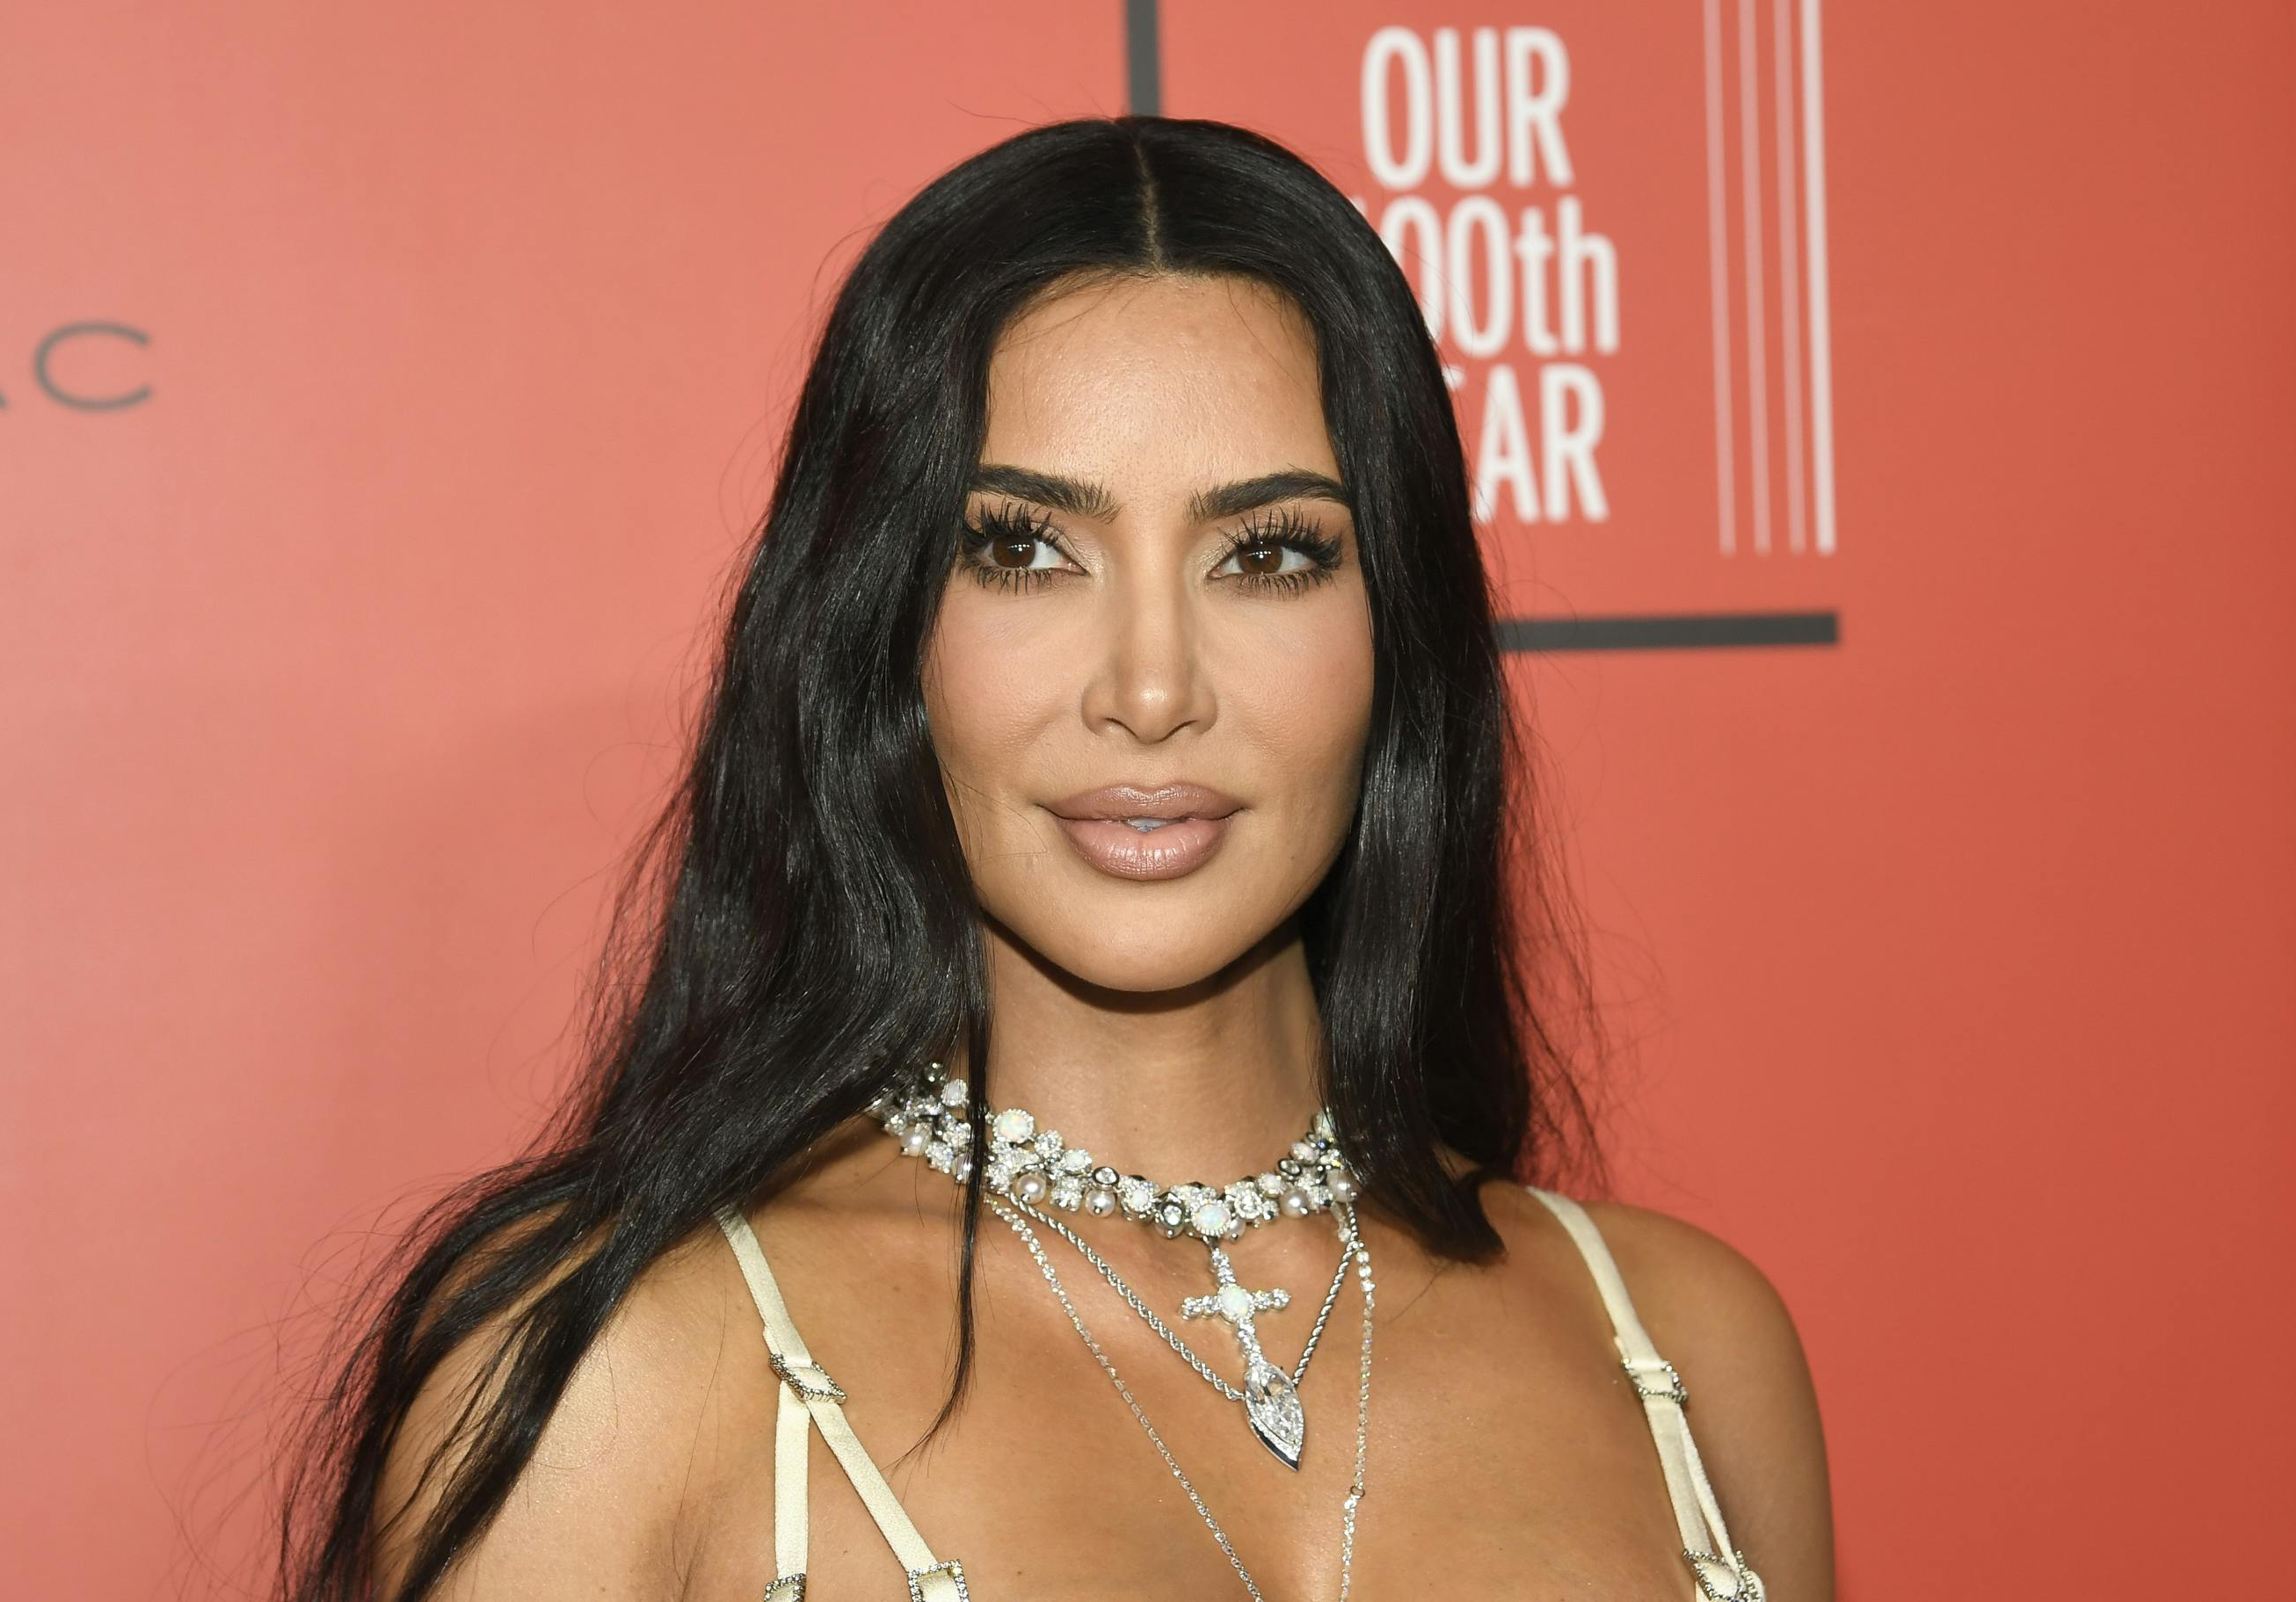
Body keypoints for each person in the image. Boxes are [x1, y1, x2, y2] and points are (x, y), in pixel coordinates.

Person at [278, 114, 1834, 1602]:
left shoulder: (1682, 1348)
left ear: (1397, 634)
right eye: (1021, 549)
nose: (1150, 690)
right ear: (876, 632)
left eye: (1267, 554)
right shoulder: (613, 1365)